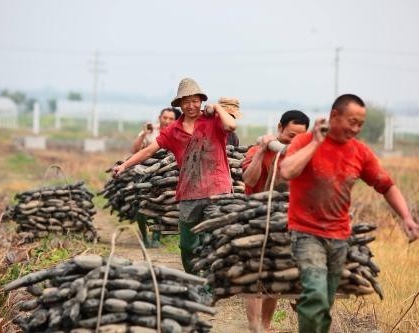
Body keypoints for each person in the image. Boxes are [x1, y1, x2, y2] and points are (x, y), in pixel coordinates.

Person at [280, 94, 419, 333]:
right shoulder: (305, 141)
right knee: (314, 293)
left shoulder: (359, 153)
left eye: (360, 124)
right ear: (334, 116)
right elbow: (287, 171)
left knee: (325, 302)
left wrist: (406, 217)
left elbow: (386, 185)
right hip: (305, 233)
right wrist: (316, 142)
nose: (356, 129)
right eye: (352, 122)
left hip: (338, 238)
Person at [114, 78, 237, 273]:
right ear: (179, 104)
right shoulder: (173, 130)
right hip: (190, 191)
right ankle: (194, 278)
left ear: (202, 101)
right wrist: (125, 165)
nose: (191, 106)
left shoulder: (213, 120)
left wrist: (217, 108)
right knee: (187, 246)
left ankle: (210, 286)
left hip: (218, 189)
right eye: (186, 102)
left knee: (212, 240)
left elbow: (231, 126)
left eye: (195, 100)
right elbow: (149, 151)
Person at [241, 110, 310, 333]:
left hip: (288, 222)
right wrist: (262, 150)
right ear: (280, 128)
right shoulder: (258, 150)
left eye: (300, 137)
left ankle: (266, 325)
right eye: (291, 134)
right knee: (255, 274)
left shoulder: (303, 155)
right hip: (257, 217)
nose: (295, 140)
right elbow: (249, 180)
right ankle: (254, 326)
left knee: (276, 278)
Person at [130, 107, 176, 248]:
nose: (167, 121)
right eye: (165, 117)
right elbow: (134, 150)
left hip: (165, 174)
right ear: (159, 118)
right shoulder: (151, 132)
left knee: (162, 205)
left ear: (175, 120)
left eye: (171, 118)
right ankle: (144, 236)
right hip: (143, 172)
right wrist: (144, 134)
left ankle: (156, 237)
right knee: (140, 205)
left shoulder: (176, 133)